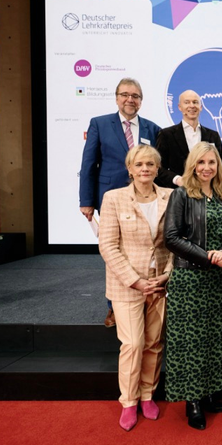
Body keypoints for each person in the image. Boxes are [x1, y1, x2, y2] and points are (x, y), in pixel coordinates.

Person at [163, 141, 222, 431]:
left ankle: (208, 393)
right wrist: (207, 256)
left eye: (212, 162)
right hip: (190, 279)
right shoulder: (181, 195)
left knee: (213, 338)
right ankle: (191, 402)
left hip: (218, 278)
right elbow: (171, 237)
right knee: (191, 341)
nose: (207, 167)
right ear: (193, 165)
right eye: (201, 162)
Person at [98, 145, 172, 431]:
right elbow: (107, 245)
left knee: (153, 343)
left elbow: (174, 241)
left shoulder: (170, 196)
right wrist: (135, 280)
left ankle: (147, 395)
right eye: (139, 164)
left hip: (159, 284)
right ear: (130, 169)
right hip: (127, 285)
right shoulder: (113, 198)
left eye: (150, 165)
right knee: (133, 344)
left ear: (157, 168)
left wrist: (165, 275)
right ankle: (128, 401)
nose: (145, 169)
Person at [79, 77, 161, 328]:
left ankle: (142, 299)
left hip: (144, 197)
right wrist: (86, 201)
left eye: (135, 96)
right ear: (117, 98)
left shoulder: (152, 129)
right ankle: (113, 306)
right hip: (111, 197)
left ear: (141, 101)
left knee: (140, 249)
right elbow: (88, 164)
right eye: (125, 95)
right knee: (114, 251)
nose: (130, 99)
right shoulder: (100, 124)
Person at [155, 90, 222, 189]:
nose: (192, 106)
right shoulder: (166, 135)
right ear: (180, 107)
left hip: (207, 192)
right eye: (187, 102)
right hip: (178, 192)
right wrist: (178, 180)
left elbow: (220, 167)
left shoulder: (213, 136)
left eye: (195, 102)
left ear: (201, 107)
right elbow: (159, 168)